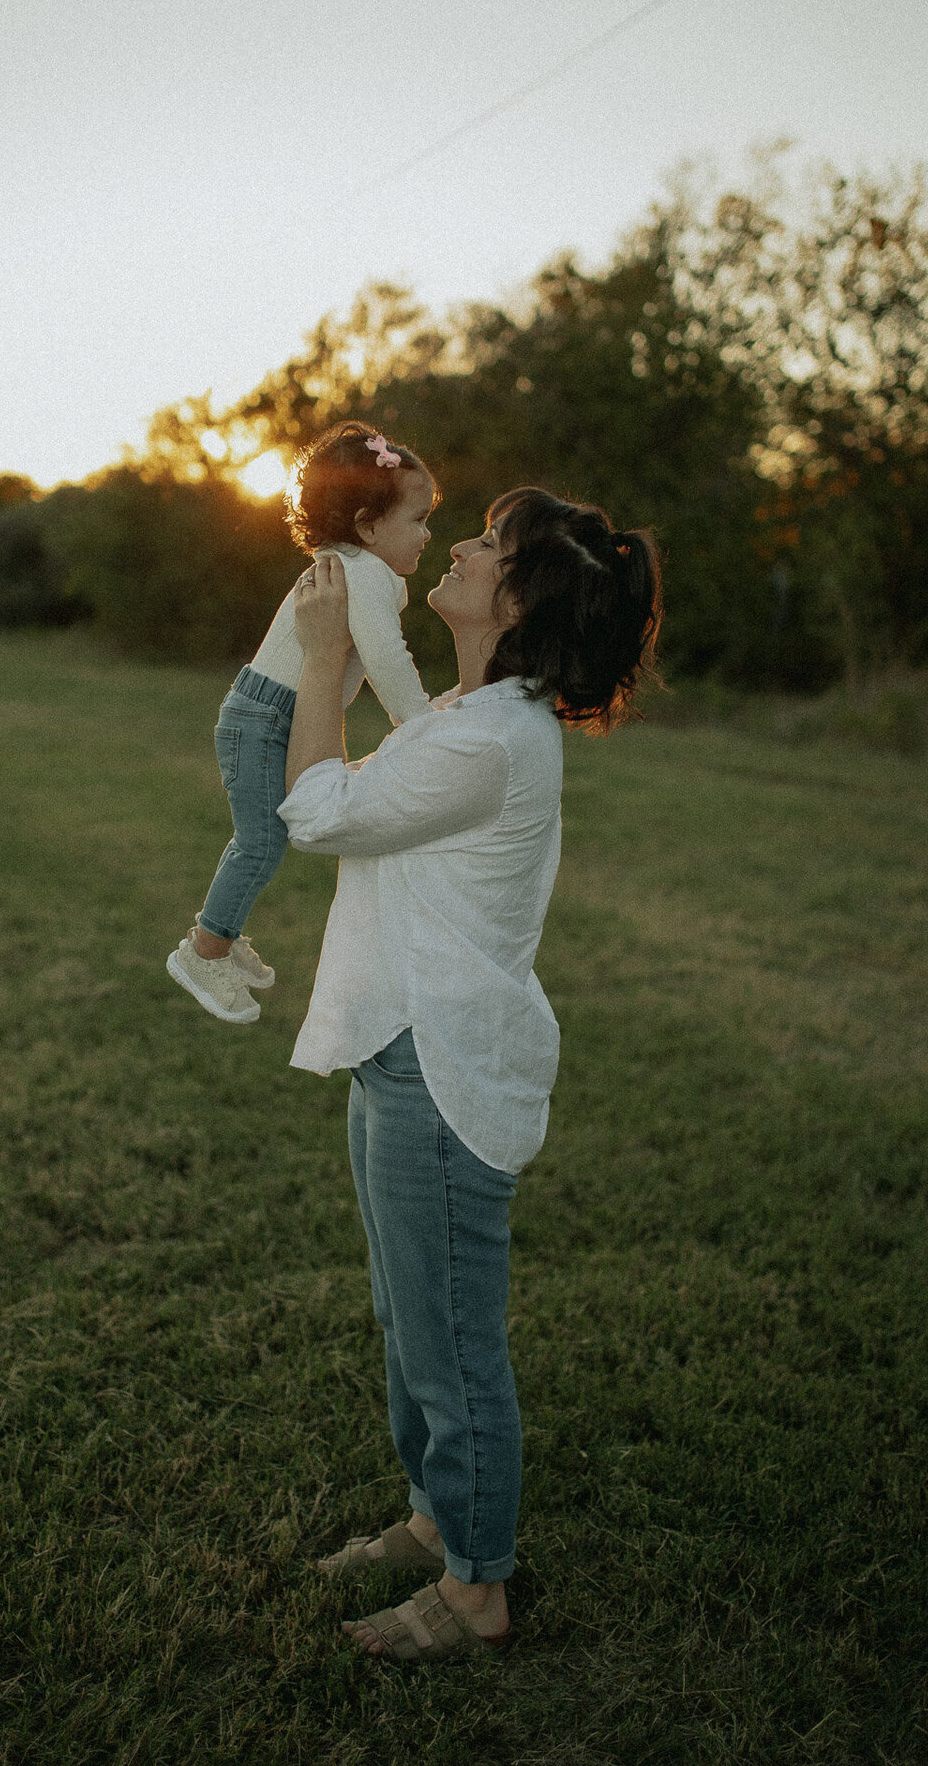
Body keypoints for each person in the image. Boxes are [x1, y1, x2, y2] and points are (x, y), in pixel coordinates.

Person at [276, 487, 663, 1663]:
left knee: (451, 1344)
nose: (459, 544)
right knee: (411, 1322)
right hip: (402, 1043)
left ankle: (477, 1593)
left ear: (522, 595)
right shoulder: (472, 709)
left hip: (441, 1068)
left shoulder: (496, 736)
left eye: (488, 542)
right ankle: (436, 1517)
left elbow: (316, 812)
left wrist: (322, 654)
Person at [166, 421, 437, 1024]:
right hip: (265, 716)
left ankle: (223, 935)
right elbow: (387, 659)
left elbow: (367, 660)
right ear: (368, 525)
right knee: (262, 841)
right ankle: (204, 952)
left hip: (264, 710)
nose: (428, 534)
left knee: (266, 838)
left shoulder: (356, 568)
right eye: (417, 519)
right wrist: (417, 723)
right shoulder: (363, 573)